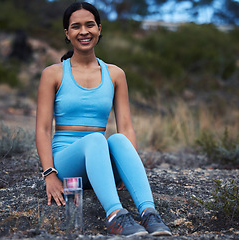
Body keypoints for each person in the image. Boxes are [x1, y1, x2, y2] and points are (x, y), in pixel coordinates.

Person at [36, 1, 172, 237]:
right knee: (97, 139)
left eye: (90, 25)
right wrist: (50, 174)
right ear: (67, 34)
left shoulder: (115, 74)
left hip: (100, 165)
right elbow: (43, 129)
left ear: (99, 29)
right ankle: (115, 216)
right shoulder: (53, 74)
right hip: (67, 163)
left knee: (118, 140)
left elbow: (126, 126)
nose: (84, 31)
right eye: (76, 27)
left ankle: (149, 213)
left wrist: (125, 169)